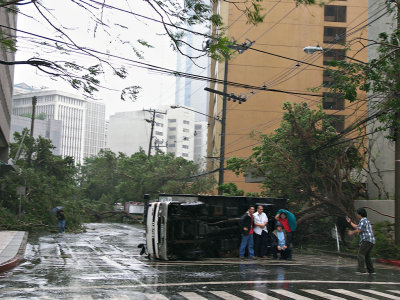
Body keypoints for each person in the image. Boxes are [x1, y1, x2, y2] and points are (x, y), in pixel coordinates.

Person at [346, 208, 376, 275]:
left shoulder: (363, 220)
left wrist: (352, 232)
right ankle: (371, 271)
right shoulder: (366, 221)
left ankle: (361, 270)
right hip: (371, 241)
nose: (357, 215)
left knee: (360, 254)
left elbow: (359, 230)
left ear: (360, 214)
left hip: (366, 240)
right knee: (367, 256)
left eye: (357, 214)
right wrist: (350, 222)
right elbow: (357, 227)